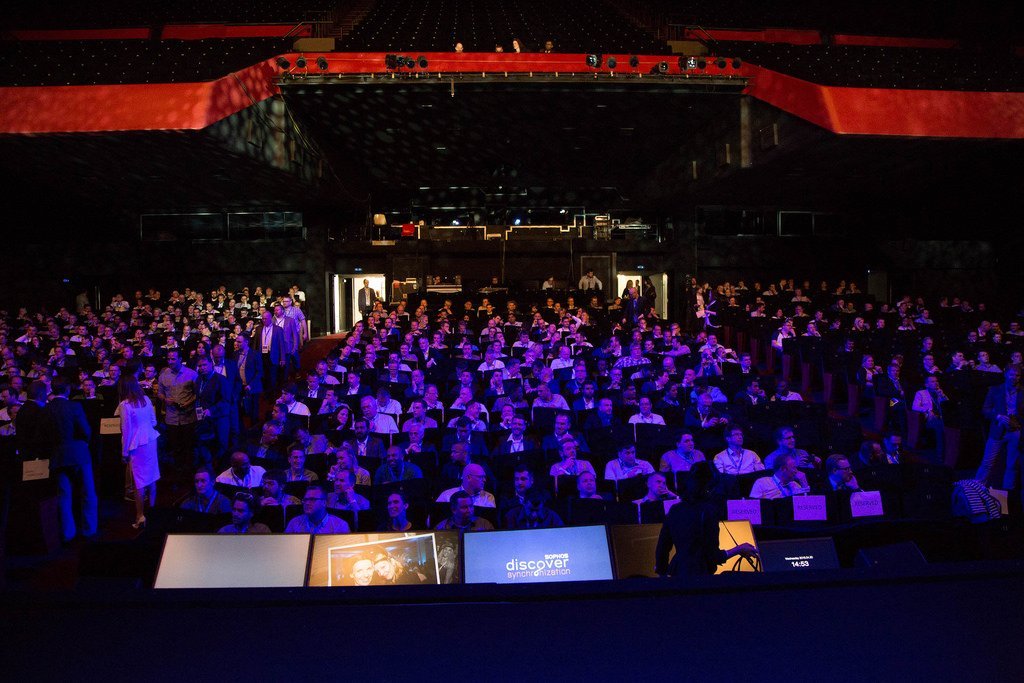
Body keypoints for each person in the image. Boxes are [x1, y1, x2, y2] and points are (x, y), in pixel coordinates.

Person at [655, 462, 757, 577]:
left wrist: (662, 573)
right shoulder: (709, 511)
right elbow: (714, 556)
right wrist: (739, 549)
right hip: (700, 575)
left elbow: (662, 548)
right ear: (710, 486)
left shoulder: (675, 509)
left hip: (677, 572)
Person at [41, 376, 98, 542]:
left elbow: (44, 436)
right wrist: (84, 443)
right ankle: (89, 530)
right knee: (88, 493)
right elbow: (86, 430)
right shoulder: (74, 406)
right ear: (67, 389)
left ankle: (68, 533)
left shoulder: (46, 409)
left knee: (64, 496)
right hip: (79, 453)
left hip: (58, 456)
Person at [117, 373, 160, 529]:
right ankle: (152, 514)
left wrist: (124, 453)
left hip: (137, 444)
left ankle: (140, 516)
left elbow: (126, 430)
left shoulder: (125, 405)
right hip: (151, 440)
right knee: (152, 476)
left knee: (139, 481)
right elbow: (154, 421)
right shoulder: (146, 399)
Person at [976, 366, 1024, 489]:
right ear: (1005, 374)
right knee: (987, 462)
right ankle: (977, 489)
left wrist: (1018, 420)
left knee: (1012, 465)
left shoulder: (1022, 391)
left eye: (1017, 375)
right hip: (998, 430)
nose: (1014, 377)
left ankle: (1008, 493)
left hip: (1015, 431)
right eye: (1011, 374)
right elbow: (985, 409)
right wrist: (998, 416)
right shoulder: (995, 389)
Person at [157, 349, 197, 475]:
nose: (170, 361)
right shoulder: (163, 375)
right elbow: (160, 393)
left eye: (173, 359)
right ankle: (178, 472)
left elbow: (198, 393)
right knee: (175, 447)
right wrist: (165, 399)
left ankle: (189, 472)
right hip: (172, 417)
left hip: (188, 416)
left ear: (180, 359)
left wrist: (189, 402)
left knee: (188, 446)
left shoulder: (192, 374)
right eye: (168, 359)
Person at [285, 482, 350, 533]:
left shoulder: (340, 526)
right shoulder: (294, 523)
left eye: (312, 499)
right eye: (305, 500)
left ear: (324, 503)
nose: (307, 503)